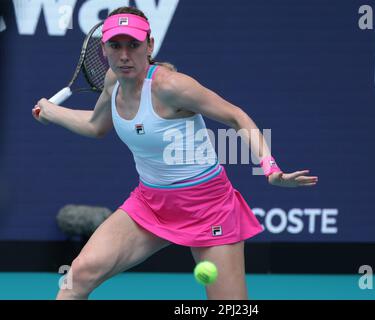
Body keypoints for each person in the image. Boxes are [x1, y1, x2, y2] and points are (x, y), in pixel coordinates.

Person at [32, 6, 318, 300]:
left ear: (150, 45)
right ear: (104, 50)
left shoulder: (171, 87)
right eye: (115, 46)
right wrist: (53, 113)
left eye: (134, 45)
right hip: (150, 203)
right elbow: (96, 125)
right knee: (78, 275)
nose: (124, 55)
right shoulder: (112, 81)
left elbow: (236, 116)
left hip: (208, 207)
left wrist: (270, 168)